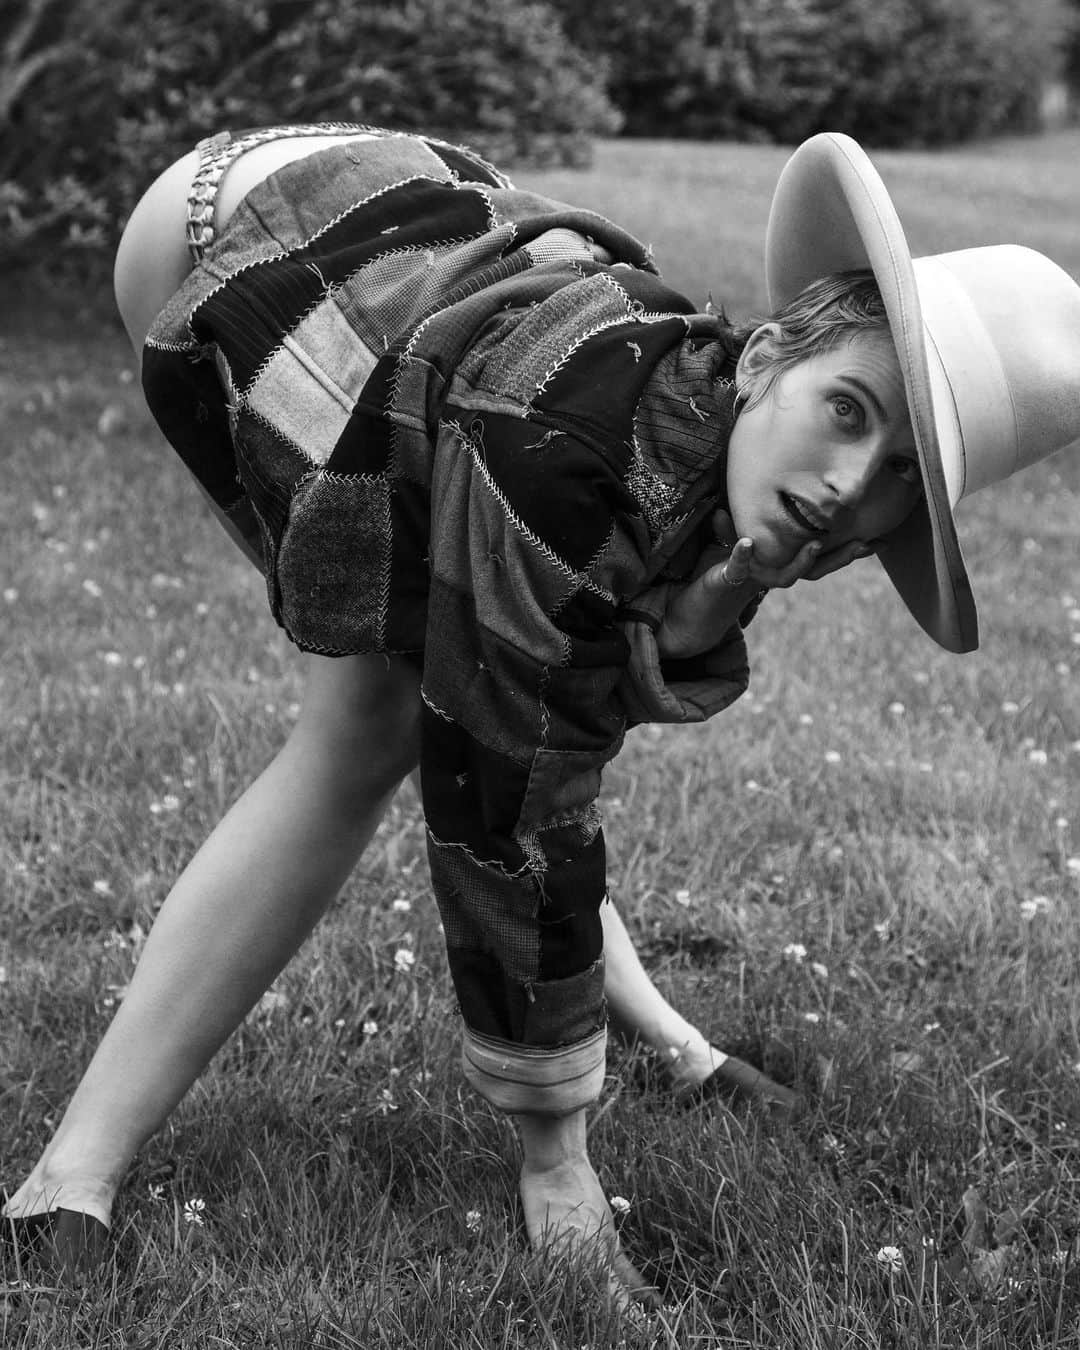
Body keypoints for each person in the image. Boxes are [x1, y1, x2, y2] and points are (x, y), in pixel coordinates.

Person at [4, 124, 1079, 1301]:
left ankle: (667, 1039)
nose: (845, 485)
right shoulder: (563, 460)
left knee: (489, 690)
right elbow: (513, 796)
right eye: (850, 412)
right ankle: (69, 1180)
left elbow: (564, 714)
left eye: (898, 483)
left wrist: (690, 608)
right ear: (770, 351)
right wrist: (554, 1150)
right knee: (374, 729)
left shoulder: (720, 446)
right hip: (243, 238)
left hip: (418, 226)